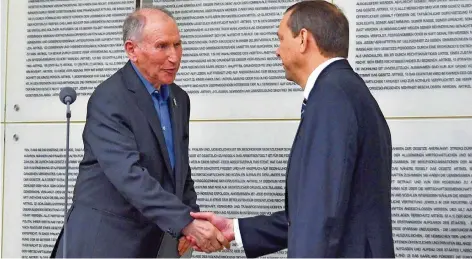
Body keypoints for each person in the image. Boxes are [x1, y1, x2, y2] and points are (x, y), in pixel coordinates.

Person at [190, 1, 395, 258]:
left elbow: (322, 217)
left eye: (281, 38)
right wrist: (235, 229)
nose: (277, 51)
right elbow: (315, 212)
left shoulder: (332, 98)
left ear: (303, 39)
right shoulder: (345, 90)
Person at [50, 7, 228, 258]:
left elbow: (180, 172)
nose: (174, 57)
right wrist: (185, 223)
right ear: (132, 50)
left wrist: (190, 217)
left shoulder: (179, 98)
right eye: (162, 46)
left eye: (178, 44)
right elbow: (129, 176)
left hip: (151, 242)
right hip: (105, 243)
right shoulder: (109, 99)